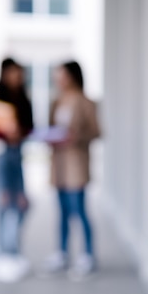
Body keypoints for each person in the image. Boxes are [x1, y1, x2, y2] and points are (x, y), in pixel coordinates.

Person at [40, 61, 101, 281]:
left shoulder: (86, 102)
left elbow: (97, 131)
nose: (59, 80)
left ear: (73, 76)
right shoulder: (56, 101)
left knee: (79, 210)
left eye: (62, 76)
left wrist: (76, 137)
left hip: (76, 163)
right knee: (62, 211)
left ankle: (87, 254)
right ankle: (62, 253)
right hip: (59, 164)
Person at [0, 57, 34, 283]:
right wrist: (5, 133)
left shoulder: (23, 98)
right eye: (13, 73)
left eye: (19, 73)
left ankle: (12, 251)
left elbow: (30, 126)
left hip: (16, 155)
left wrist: (19, 133)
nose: (17, 78)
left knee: (21, 204)